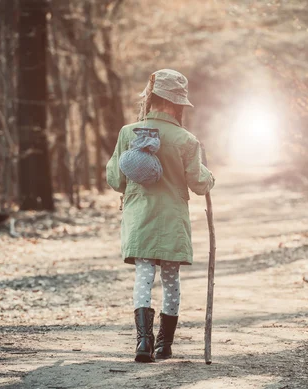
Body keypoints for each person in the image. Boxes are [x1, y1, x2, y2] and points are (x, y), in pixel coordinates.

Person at [106, 69, 215, 363]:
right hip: (171, 221)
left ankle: (143, 343)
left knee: (143, 276)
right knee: (170, 280)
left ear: (151, 98)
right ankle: (164, 345)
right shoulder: (187, 140)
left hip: (140, 217)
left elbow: (116, 180)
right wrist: (210, 174)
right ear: (177, 104)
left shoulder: (129, 133)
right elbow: (199, 183)